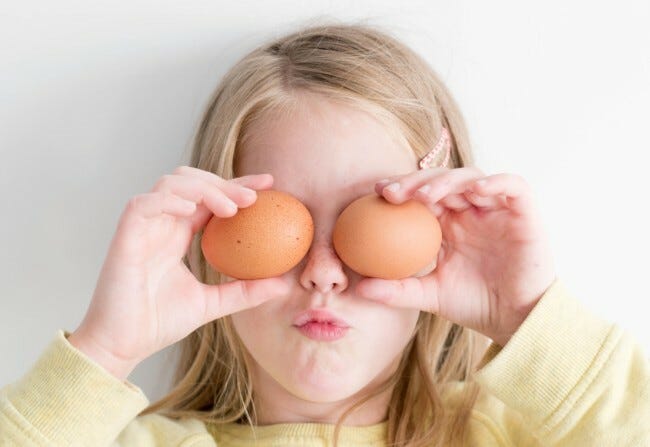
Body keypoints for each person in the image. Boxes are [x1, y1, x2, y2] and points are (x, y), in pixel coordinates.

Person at [1, 21, 649, 447]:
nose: (324, 271)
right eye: (281, 221)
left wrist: (528, 319)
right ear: (209, 239)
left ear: (438, 236)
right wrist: (105, 351)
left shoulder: (520, 432)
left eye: (372, 218)